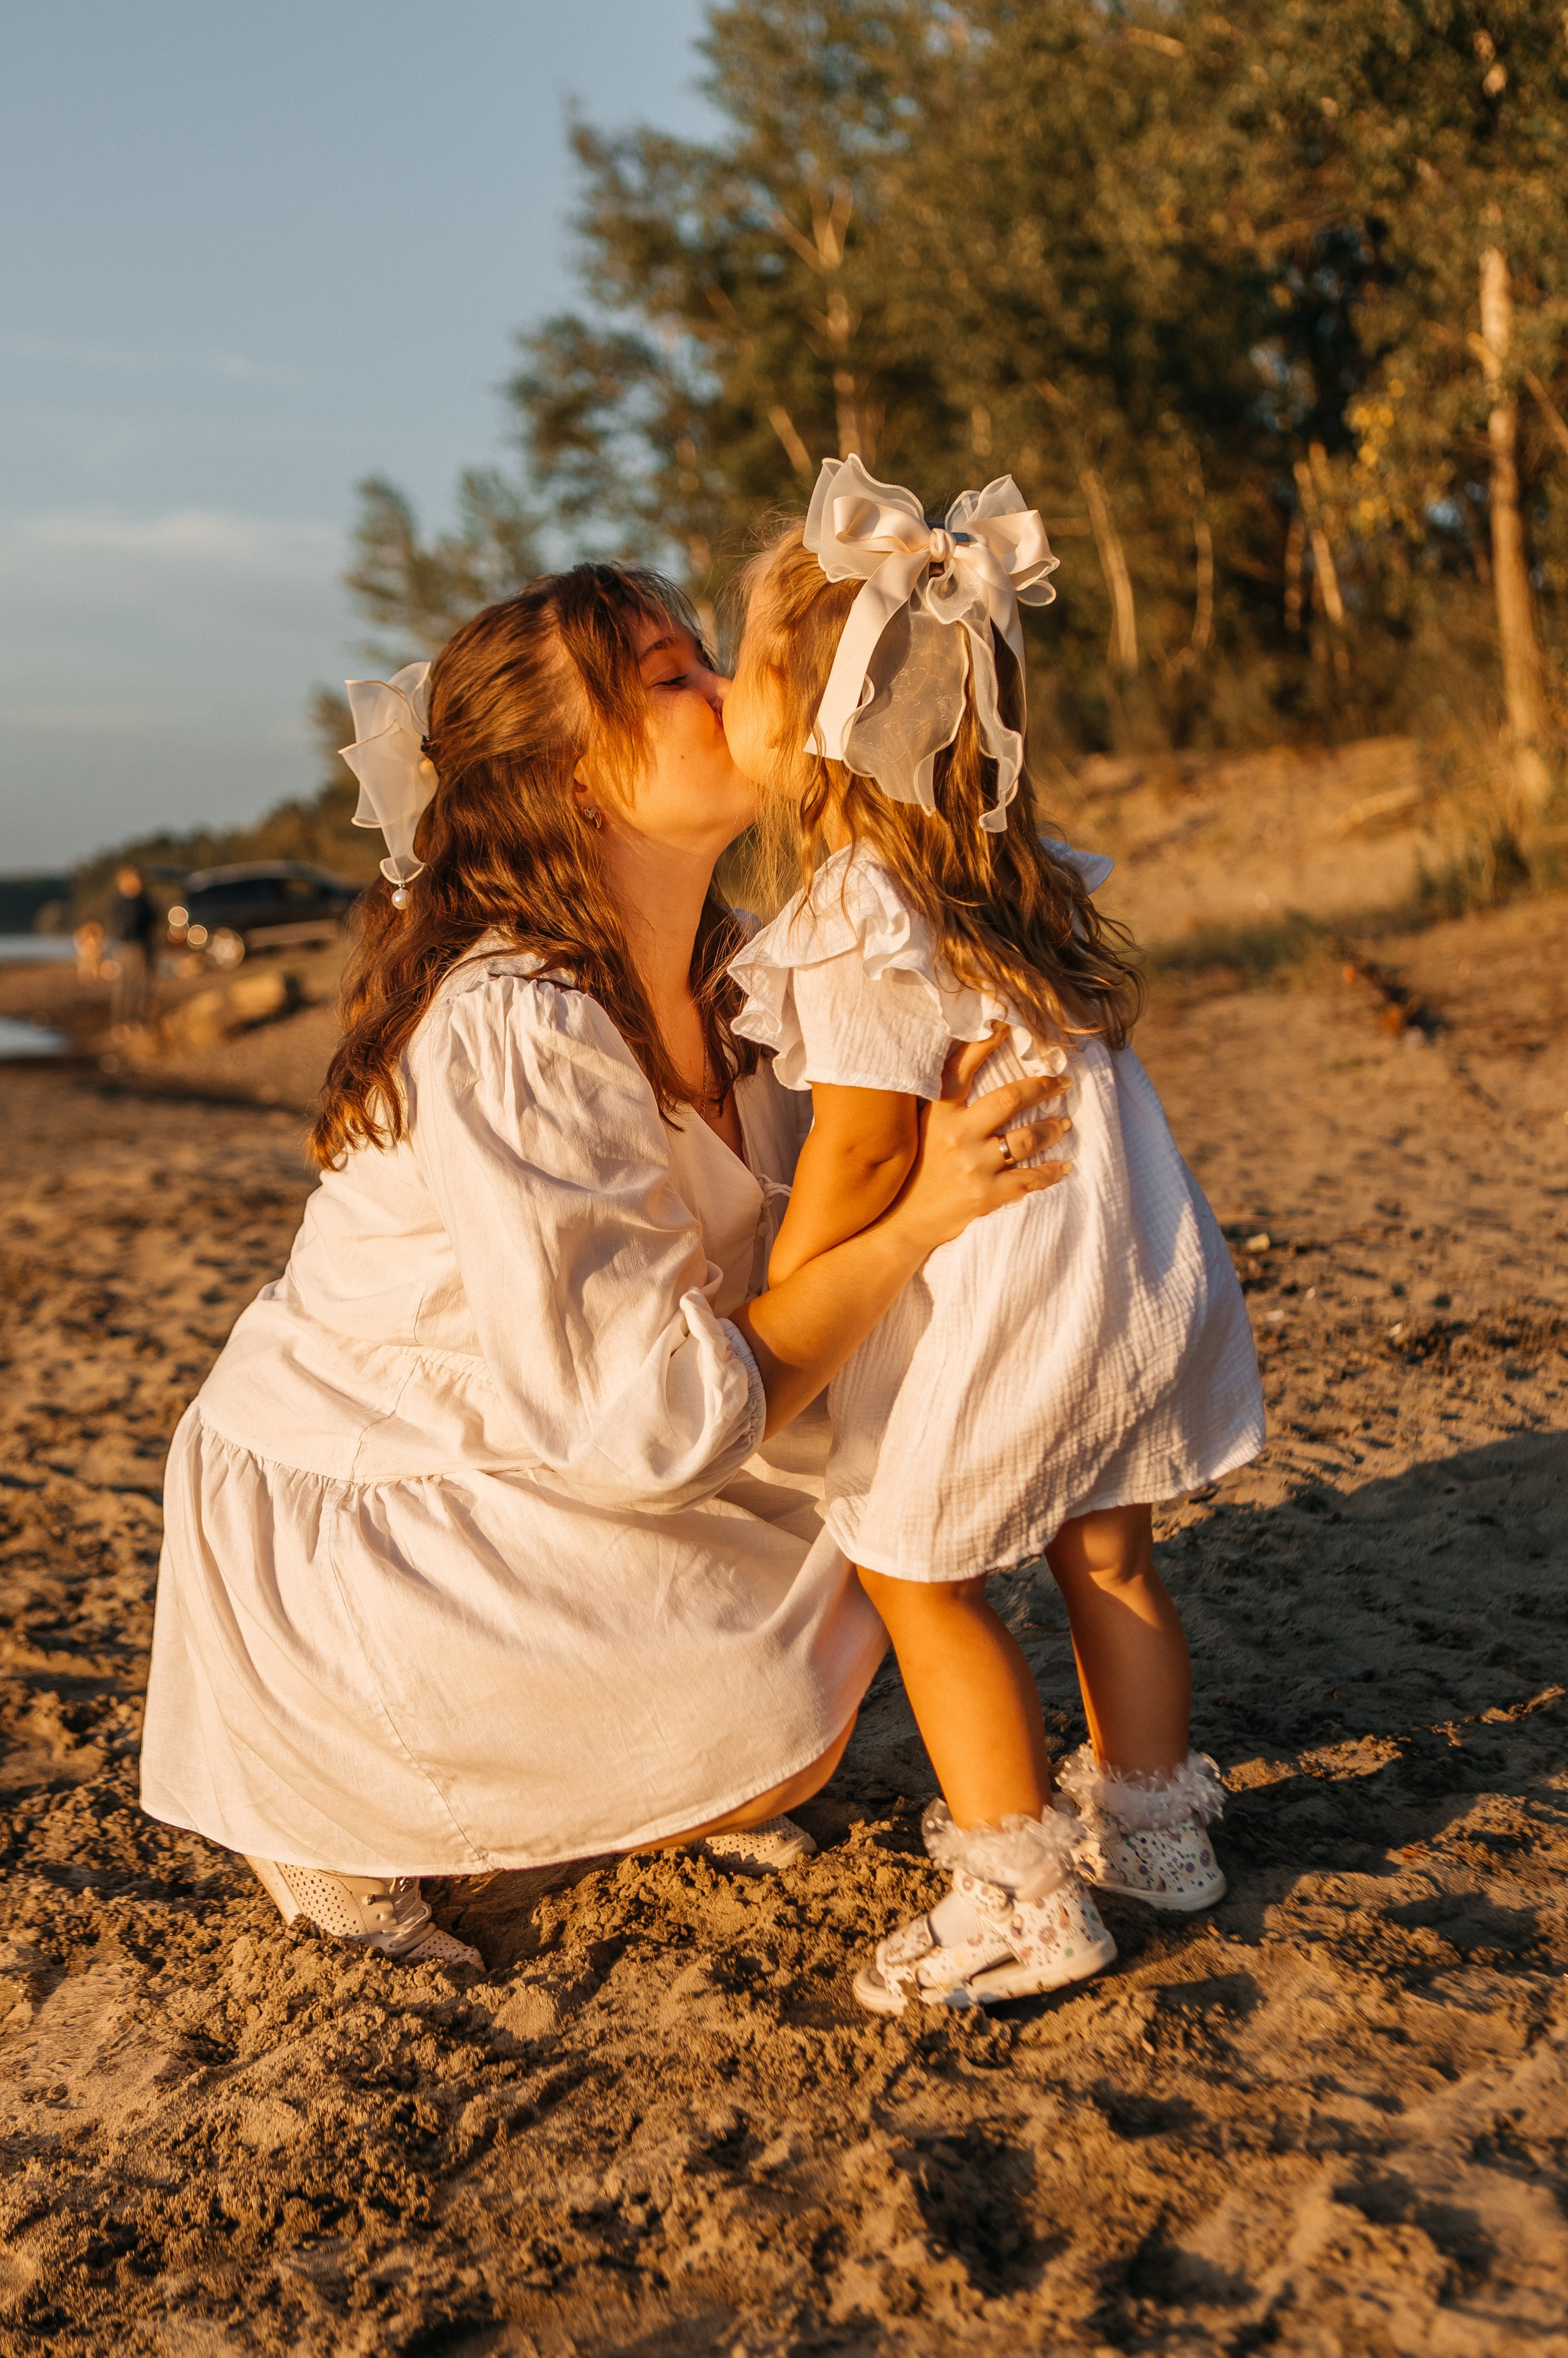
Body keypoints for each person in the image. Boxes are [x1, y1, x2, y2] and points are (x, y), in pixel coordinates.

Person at [137, 563, 1070, 1973]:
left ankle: (593, 1779)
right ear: (570, 779)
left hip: (562, 1438)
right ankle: (345, 1815)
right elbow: (650, 1427)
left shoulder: (739, 969)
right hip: (373, 1517)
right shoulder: (516, 1021)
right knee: (782, 1703)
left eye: (709, 658)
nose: (728, 692)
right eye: (672, 679)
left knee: (890, 1559)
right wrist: (916, 1223)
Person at [721, 457, 1266, 2014]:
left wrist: (791, 1301)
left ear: (818, 717)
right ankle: (1152, 1829)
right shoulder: (1020, 882)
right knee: (1109, 1552)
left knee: (916, 1577)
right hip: (1126, 1280)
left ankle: (1019, 1898)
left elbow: (859, 1148)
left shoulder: (858, 914)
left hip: (1003, 1299)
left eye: (748, 666)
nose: (731, 693)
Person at [109, 868, 157, 1028]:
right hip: (134, 946)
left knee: (128, 985)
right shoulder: (139, 902)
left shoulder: (124, 902)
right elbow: (150, 920)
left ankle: (124, 1022)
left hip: (126, 946)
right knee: (132, 985)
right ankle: (129, 1021)